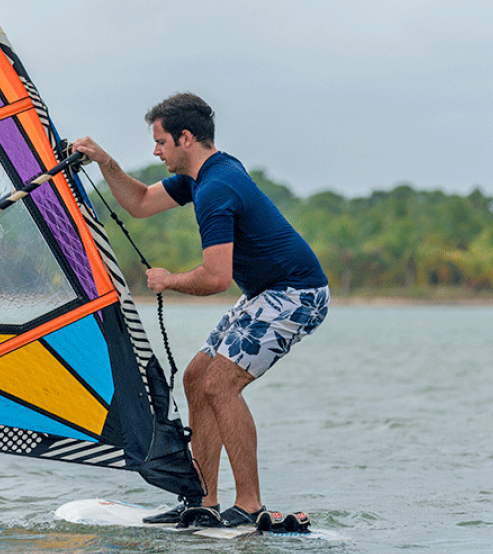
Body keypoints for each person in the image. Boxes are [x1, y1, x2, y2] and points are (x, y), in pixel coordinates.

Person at [72, 93, 329, 528]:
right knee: (196, 378)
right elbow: (139, 203)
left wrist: (168, 279)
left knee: (220, 383)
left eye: (160, 142)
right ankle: (202, 500)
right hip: (267, 292)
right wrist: (102, 160)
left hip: (296, 293)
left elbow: (215, 278)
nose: (156, 151)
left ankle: (249, 505)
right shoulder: (202, 175)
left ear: (185, 138)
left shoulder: (215, 187)